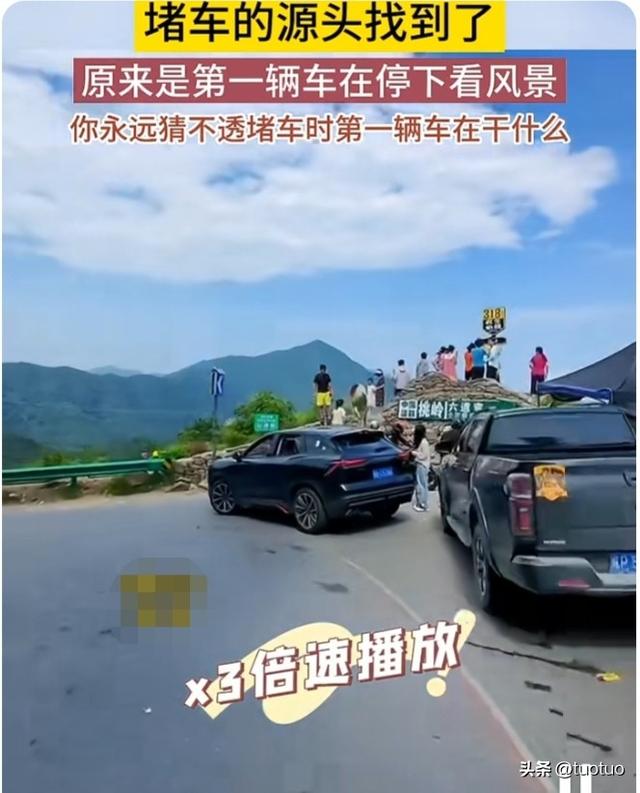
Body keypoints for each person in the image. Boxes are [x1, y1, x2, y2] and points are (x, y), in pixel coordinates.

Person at [411, 423, 431, 512]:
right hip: (421, 464)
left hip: (422, 465)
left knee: (422, 485)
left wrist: (414, 453)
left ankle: (423, 504)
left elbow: (424, 455)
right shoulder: (421, 441)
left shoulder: (424, 442)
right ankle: (422, 503)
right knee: (422, 484)